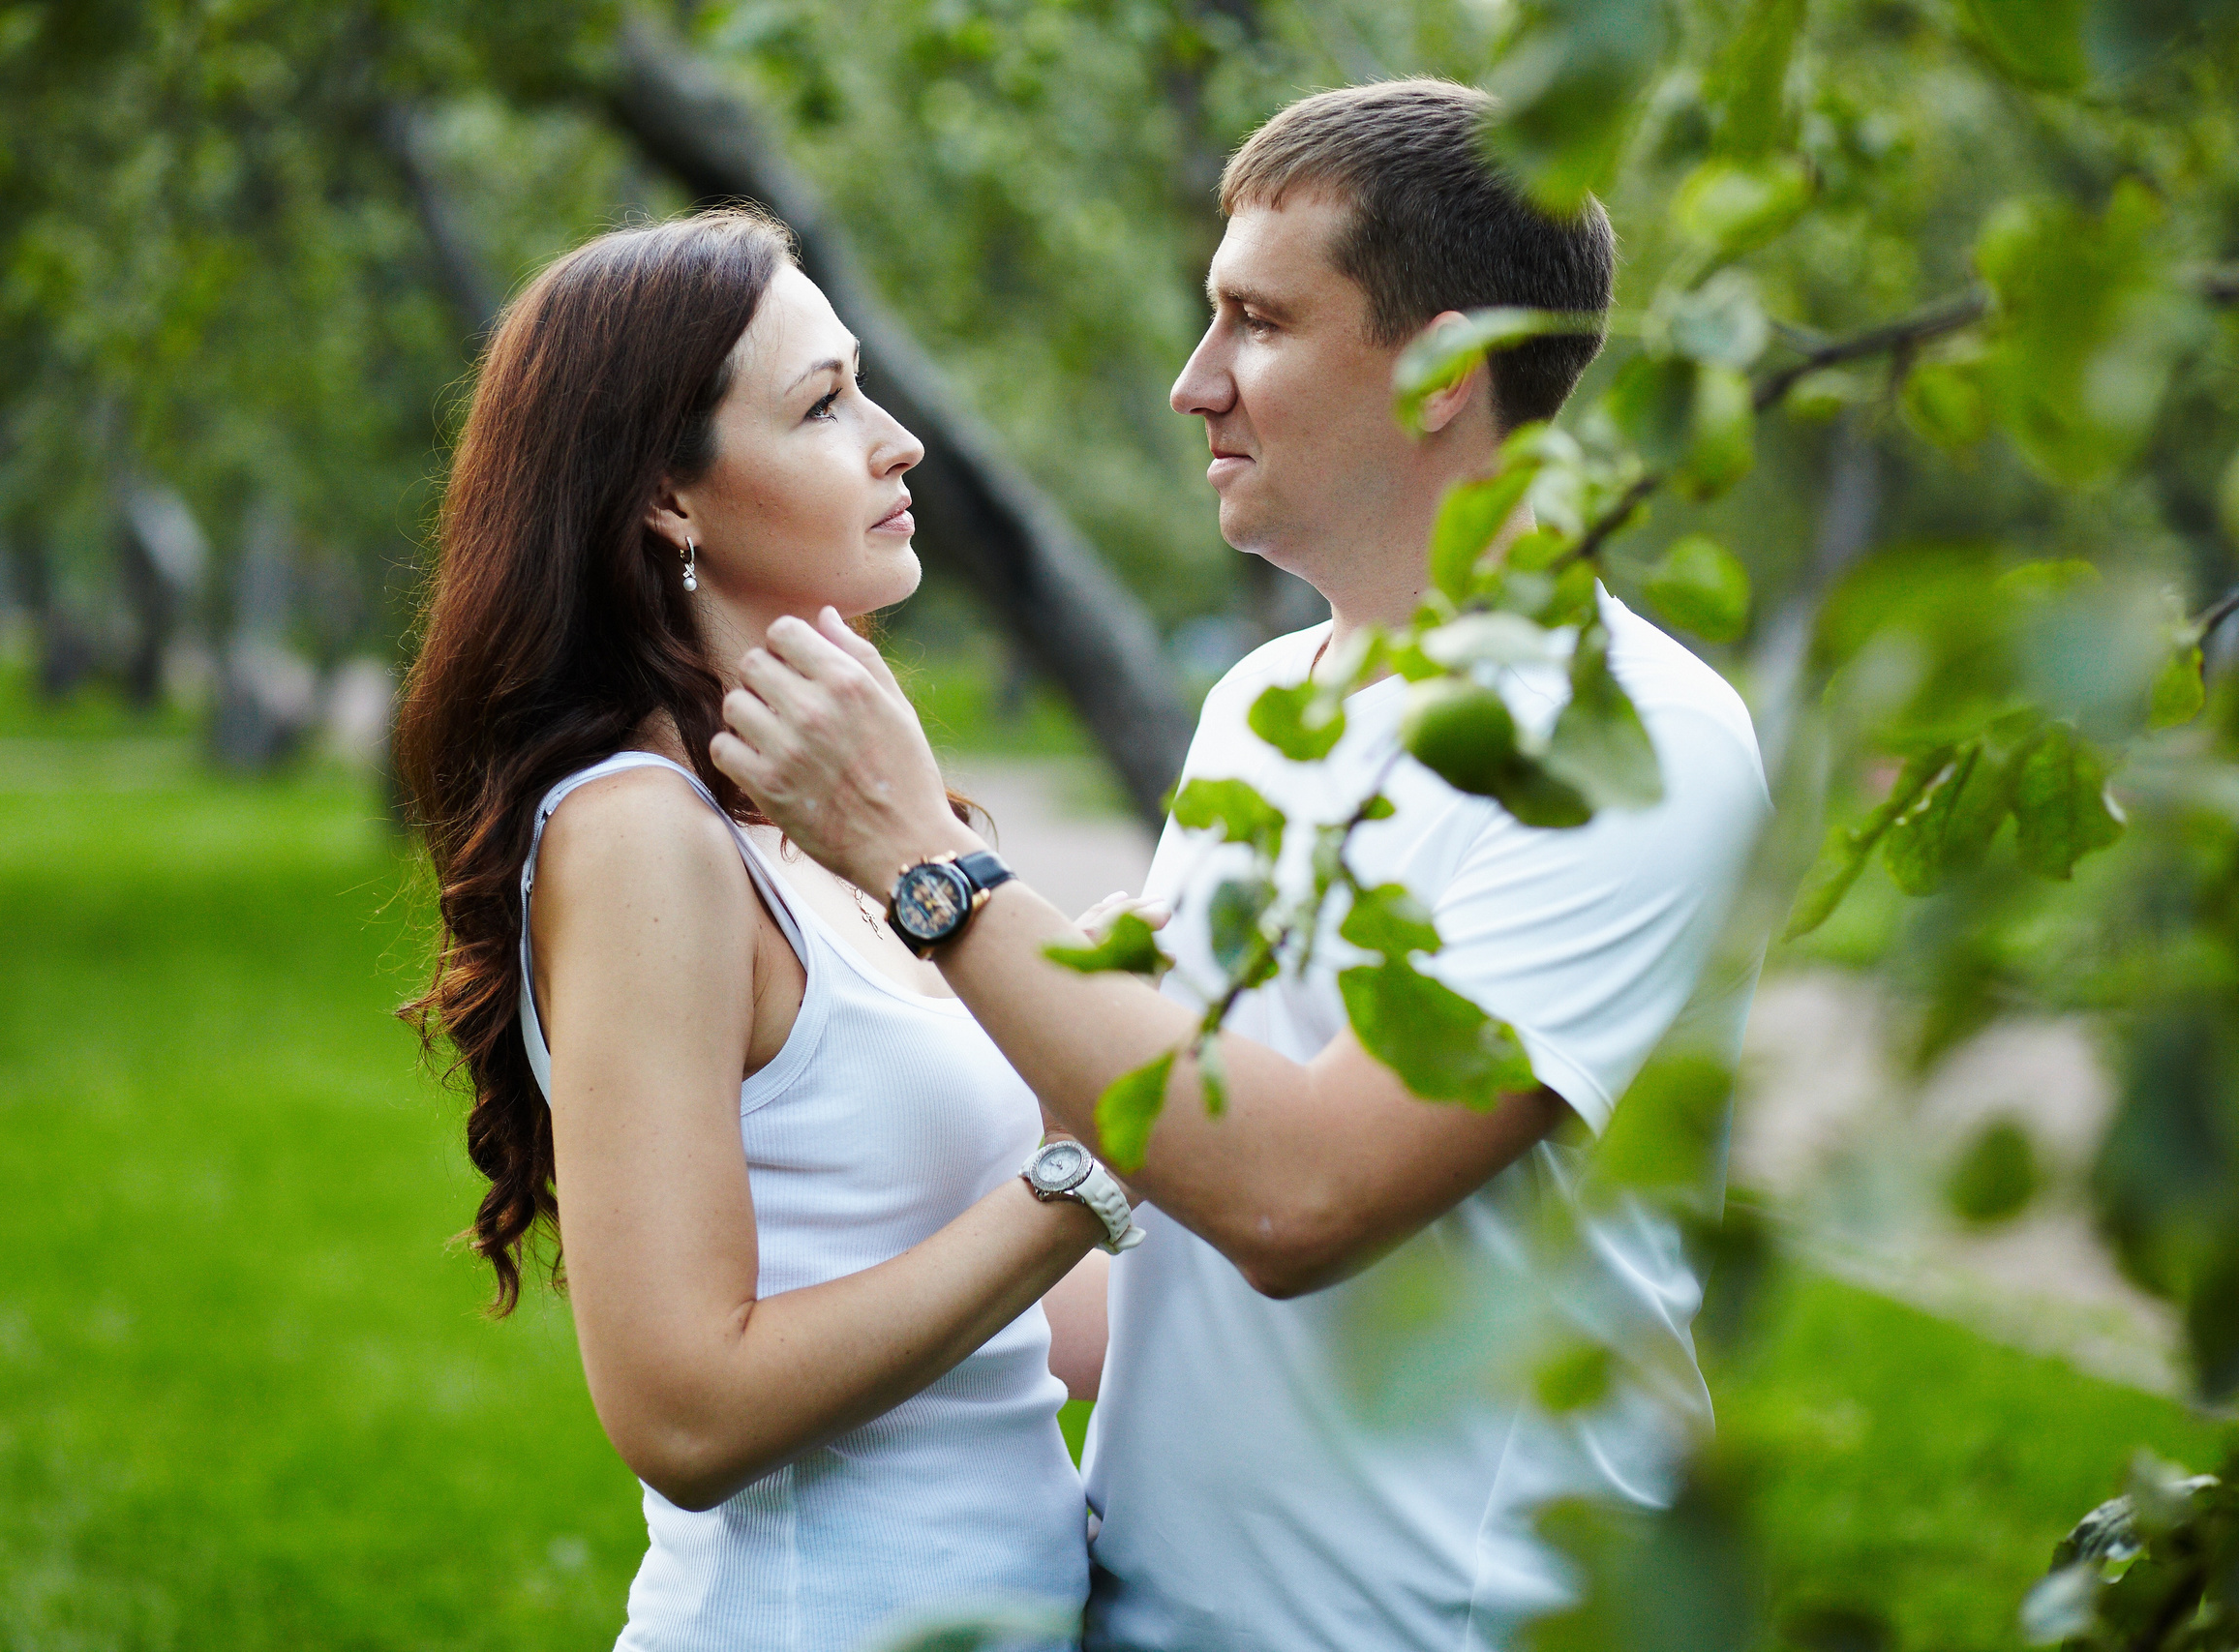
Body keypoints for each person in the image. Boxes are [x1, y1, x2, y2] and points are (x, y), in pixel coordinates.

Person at [710, 79, 1773, 1651]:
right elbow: (1182, 1201)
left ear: (1448, 369)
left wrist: (919, 859)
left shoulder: (1631, 739)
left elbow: (1298, 1197)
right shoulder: (1260, 708)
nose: (1191, 384)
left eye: (1256, 324)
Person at [395, 207, 1146, 1652]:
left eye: (864, 383)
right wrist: (1082, 1177)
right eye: (822, 404)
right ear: (669, 499)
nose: (896, 439)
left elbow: (1008, 1330)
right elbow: (683, 1409)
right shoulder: (640, 835)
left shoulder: (837, 822)